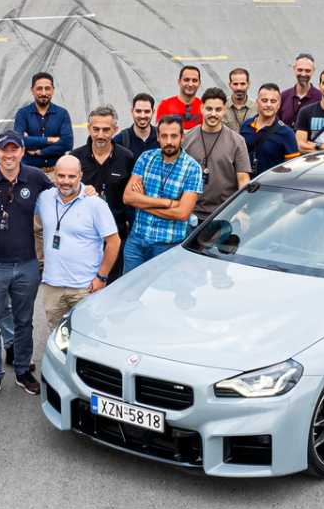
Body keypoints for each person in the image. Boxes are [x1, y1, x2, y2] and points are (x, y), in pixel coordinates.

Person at [0, 130, 50, 402]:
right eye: (4, 150)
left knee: (24, 322)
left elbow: (63, 198)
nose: (9, 155)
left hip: (27, 264)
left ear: (22, 151)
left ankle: (22, 369)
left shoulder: (36, 177)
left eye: (14, 149)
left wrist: (84, 189)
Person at [35, 154, 121, 341]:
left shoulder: (95, 204)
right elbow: (36, 229)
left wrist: (101, 277)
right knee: (58, 339)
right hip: (52, 286)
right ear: (54, 175)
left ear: (80, 176)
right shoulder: (44, 199)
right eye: (61, 176)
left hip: (84, 287)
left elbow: (114, 242)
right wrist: (40, 260)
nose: (66, 181)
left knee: (86, 338)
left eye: (71, 177)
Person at [122, 116, 204, 272]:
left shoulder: (192, 168)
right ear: (158, 137)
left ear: (182, 137)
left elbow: (182, 213)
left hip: (167, 246)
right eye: (164, 136)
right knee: (129, 293)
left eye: (174, 136)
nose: (169, 141)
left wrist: (142, 202)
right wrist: (168, 203)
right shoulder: (146, 158)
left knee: (159, 294)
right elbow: (128, 197)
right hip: (136, 241)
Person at [69, 105, 135, 244]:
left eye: (106, 130)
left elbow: (130, 197)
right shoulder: (75, 157)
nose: (100, 135)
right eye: (96, 129)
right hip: (83, 233)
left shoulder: (126, 158)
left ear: (115, 130)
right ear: (88, 128)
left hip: (116, 233)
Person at [183, 87, 251, 218]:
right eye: (209, 109)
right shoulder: (186, 138)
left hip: (225, 213)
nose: (213, 114)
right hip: (190, 213)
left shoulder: (237, 141)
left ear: (224, 110)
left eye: (218, 109)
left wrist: (242, 209)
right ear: (201, 108)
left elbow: (243, 179)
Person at [13, 72, 73, 170]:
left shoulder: (62, 114)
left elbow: (67, 143)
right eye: (39, 88)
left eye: (47, 88)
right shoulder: (23, 114)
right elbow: (19, 141)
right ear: (32, 90)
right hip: (29, 172)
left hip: (56, 173)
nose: (44, 93)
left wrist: (39, 151)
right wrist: (49, 140)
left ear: (53, 90)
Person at [239, 83, 300, 177]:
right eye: (264, 100)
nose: (268, 104)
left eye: (273, 101)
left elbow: (292, 169)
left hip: (271, 188)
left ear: (279, 105)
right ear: (257, 102)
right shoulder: (245, 126)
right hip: (246, 186)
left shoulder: (287, 133)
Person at [156, 65, 205, 132]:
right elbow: (161, 133)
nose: (190, 84)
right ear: (179, 82)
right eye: (186, 80)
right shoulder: (165, 106)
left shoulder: (204, 107)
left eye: (194, 80)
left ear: (199, 83)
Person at [277, 53, 321, 127]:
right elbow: (275, 121)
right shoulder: (283, 96)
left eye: (307, 71)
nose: (303, 74)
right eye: (300, 70)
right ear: (294, 69)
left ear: (313, 71)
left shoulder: (320, 98)